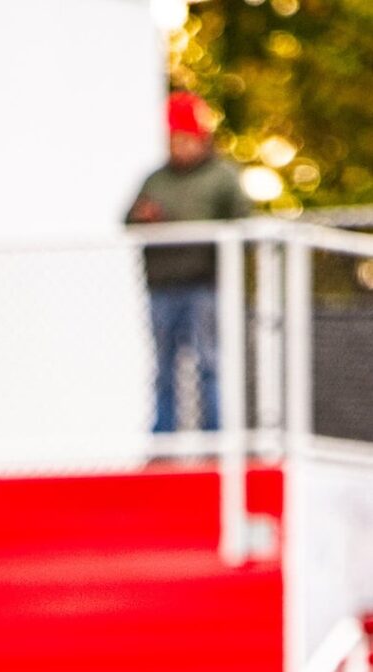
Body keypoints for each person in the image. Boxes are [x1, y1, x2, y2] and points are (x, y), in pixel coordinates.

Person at [126, 91, 247, 438]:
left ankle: (215, 438)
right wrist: (143, 218)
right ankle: (163, 440)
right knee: (164, 368)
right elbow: (128, 220)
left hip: (203, 284)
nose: (178, 147)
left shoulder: (222, 178)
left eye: (185, 139)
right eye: (173, 140)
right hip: (161, 286)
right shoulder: (156, 180)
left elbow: (243, 222)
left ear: (200, 138)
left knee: (208, 363)